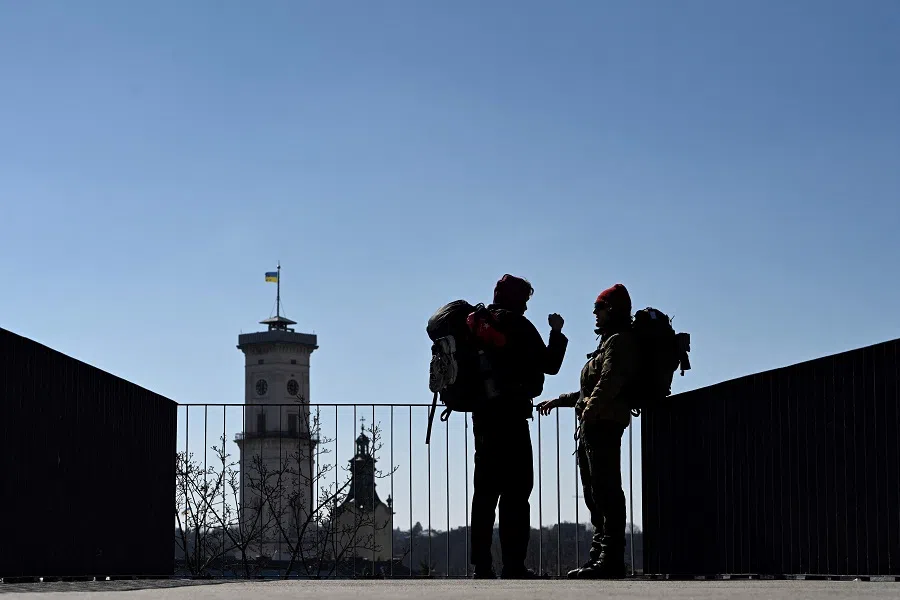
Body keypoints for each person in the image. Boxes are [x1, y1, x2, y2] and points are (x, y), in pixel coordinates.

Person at [470, 274, 568, 579]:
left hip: (483, 417)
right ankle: (514, 565)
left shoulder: (477, 325)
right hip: (511, 417)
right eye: (525, 299)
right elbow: (550, 364)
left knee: (485, 494)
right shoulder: (518, 325)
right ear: (515, 298)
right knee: (516, 491)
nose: (527, 306)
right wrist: (556, 332)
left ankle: (481, 567)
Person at [537, 283, 638, 579]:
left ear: (613, 310)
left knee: (607, 491)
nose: (595, 313)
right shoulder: (607, 343)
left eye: (600, 307)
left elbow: (609, 382)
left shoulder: (619, 342)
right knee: (595, 493)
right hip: (593, 425)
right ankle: (599, 557)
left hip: (604, 425)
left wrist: (590, 411)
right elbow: (590, 390)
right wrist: (563, 400)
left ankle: (611, 558)